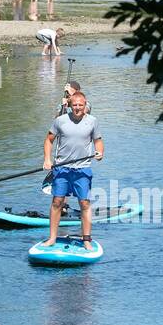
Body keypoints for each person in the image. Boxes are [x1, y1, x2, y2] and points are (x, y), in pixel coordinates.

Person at [41, 91, 103, 251]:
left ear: (85, 104)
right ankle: (52, 238)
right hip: (62, 168)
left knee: (84, 203)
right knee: (57, 202)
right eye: (74, 105)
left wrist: (99, 152)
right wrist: (47, 159)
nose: (77, 108)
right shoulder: (60, 121)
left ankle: (86, 240)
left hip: (82, 169)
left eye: (80, 105)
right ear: (70, 105)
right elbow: (48, 140)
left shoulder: (92, 121)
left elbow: (98, 141)